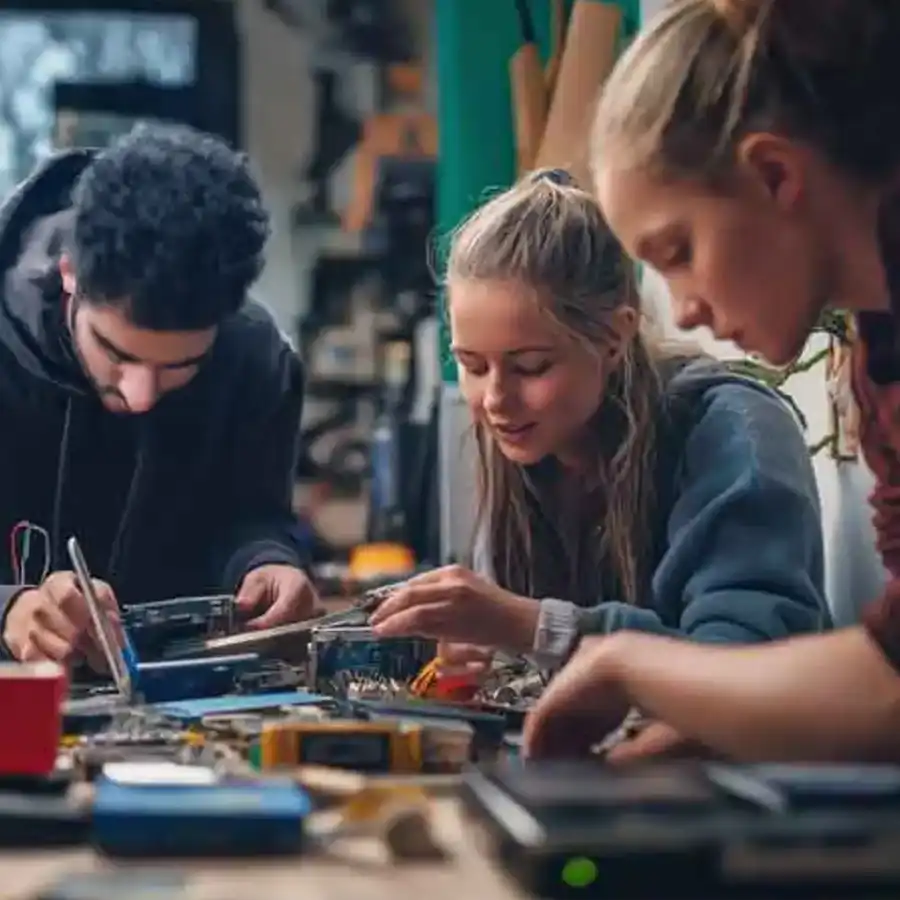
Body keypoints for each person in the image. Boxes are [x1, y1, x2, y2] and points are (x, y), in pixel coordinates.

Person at [524, 0, 900, 764]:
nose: (684, 305)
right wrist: (701, 730)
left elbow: (889, 687)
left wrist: (626, 664)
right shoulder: (877, 359)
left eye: (678, 251)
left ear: (774, 174)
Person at [370, 169, 829, 752]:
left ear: (615, 338)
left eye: (531, 366)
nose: (494, 400)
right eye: (473, 364)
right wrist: (488, 653)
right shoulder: (532, 437)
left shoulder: (731, 431)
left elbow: (743, 672)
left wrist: (532, 625)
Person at [0, 123, 319, 669]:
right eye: (116, 354)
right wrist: (8, 607)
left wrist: (266, 561)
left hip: (177, 709)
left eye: (181, 365)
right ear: (70, 271)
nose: (141, 396)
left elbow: (250, 514)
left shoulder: (256, 360)